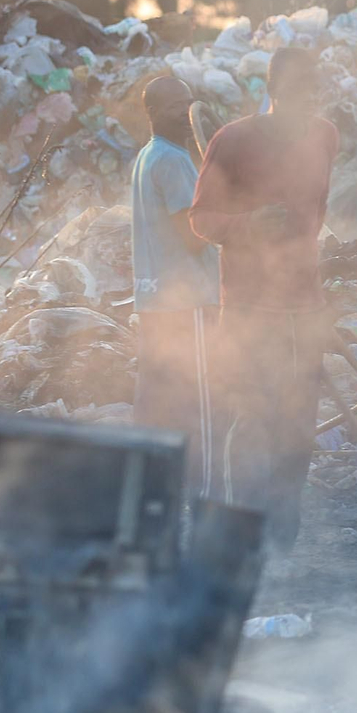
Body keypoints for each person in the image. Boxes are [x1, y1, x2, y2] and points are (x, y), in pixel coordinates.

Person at [190, 47, 340, 551]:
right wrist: (249, 226)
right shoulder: (233, 140)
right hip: (249, 309)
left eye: (312, 90)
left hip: (306, 308)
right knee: (248, 420)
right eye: (296, 90)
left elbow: (318, 208)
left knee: (298, 424)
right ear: (272, 89)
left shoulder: (324, 135)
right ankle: (237, 533)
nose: (305, 100)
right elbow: (201, 219)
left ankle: (283, 537)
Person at [131, 76, 220, 492]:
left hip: (155, 300)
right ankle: (201, 488)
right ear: (151, 112)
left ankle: (152, 487)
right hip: (187, 302)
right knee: (198, 401)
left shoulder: (147, 156)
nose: (186, 114)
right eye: (174, 106)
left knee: (157, 402)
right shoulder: (173, 160)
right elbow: (194, 234)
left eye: (188, 103)